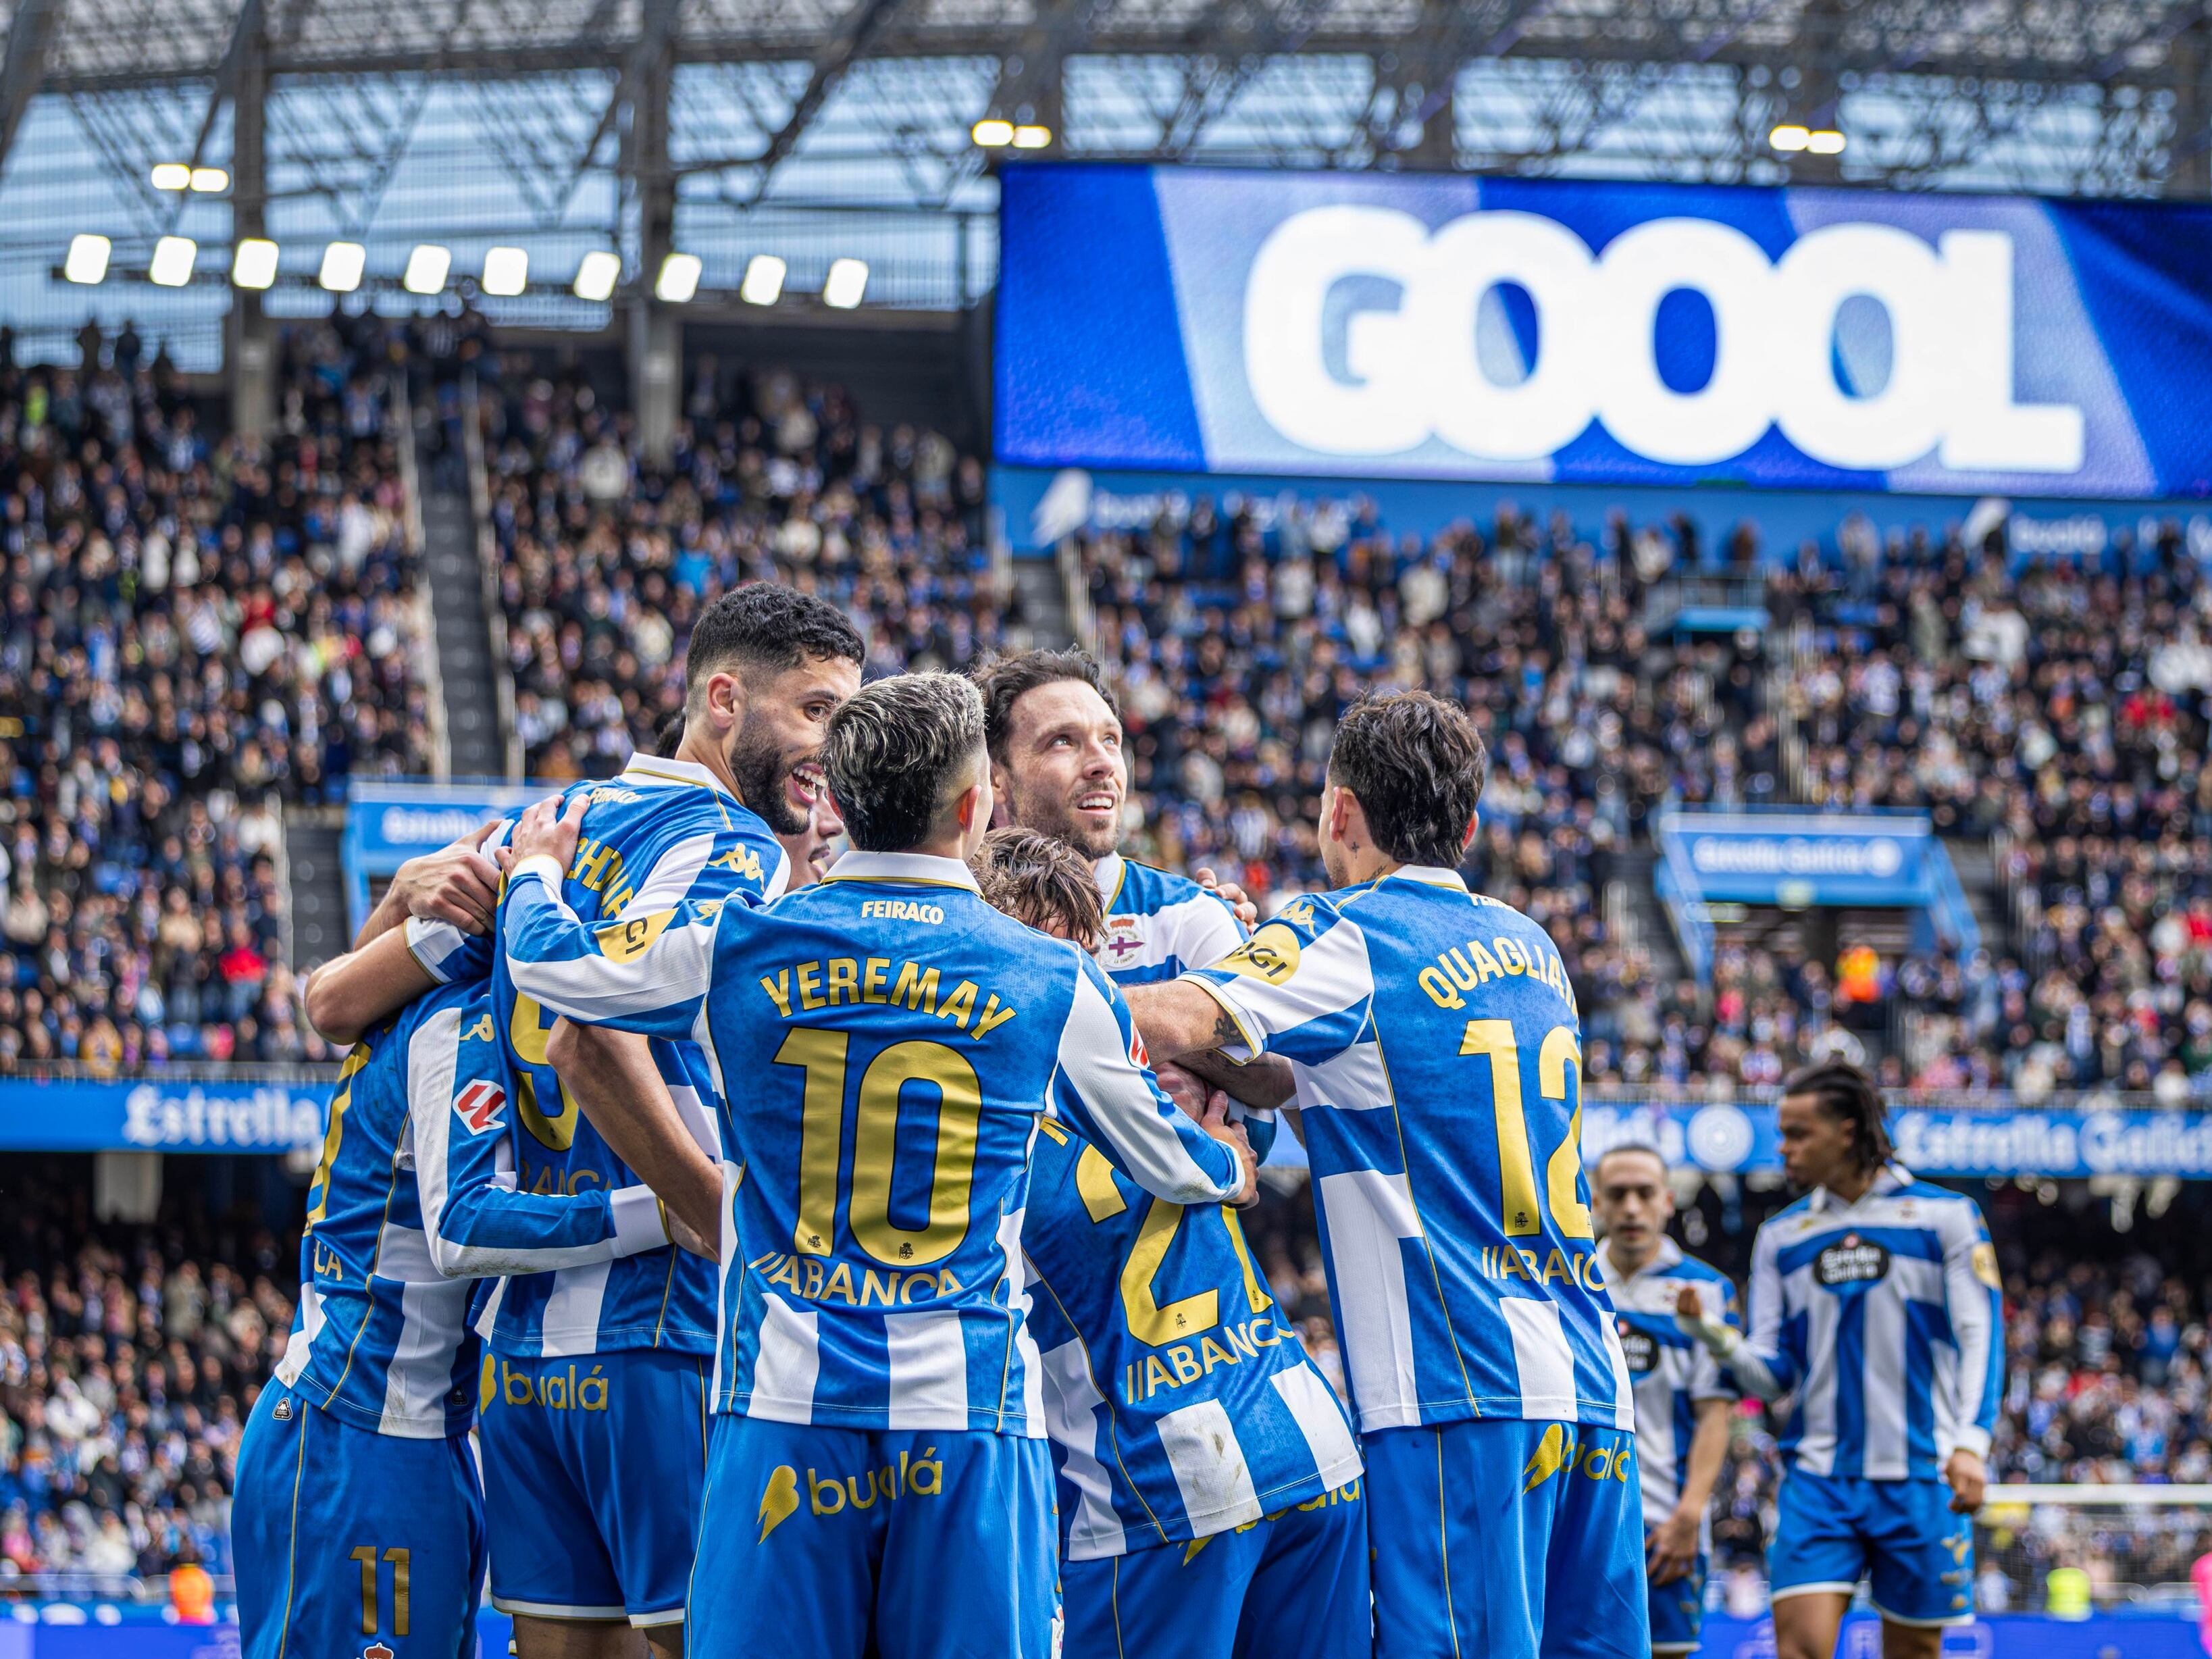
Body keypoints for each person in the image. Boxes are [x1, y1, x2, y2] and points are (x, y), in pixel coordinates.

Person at [497, 671, 1258, 1659]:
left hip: (781, 1405)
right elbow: (1168, 1154)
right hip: (971, 1413)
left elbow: (557, 974)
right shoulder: (1049, 972)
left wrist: (534, 874)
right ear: (975, 803)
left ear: (838, 804)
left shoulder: (741, 941)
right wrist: (1228, 1160)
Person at [309, 582, 867, 1655]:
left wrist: (408, 896)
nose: (831, 751)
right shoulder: (730, 848)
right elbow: (595, 1028)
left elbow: (335, 1004)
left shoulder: (538, 834)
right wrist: (712, 1214)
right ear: (721, 700)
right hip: (661, 1333)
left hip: (525, 1355)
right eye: (814, 712)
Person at [1127, 690, 1644, 1659]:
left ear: (1337, 812)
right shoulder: (1532, 947)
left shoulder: (1347, 929)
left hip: (1459, 1398)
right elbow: (1325, 1076)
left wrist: (1024, 982)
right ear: (1470, 825)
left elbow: (1175, 1018)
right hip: (1590, 1387)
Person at [973, 827, 1368, 1659]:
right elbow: (1266, 1090)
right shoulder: (1172, 1078)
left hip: (1161, 1483)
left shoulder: (974, 1110)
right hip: (1307, 1438)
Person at [234, 973, 690, 1659]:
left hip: (416, 1427)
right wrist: (664, 1206)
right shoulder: (460, 1017)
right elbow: (463, 1224)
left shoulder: (429, 1005)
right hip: (358, 1432)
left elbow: (331, 995)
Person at [1674, 1061, 2001, 1659]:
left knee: (1913, 1652)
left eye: (1798, 1134)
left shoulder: (1944, 1218)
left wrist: (1971, 1443)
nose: (1783, 1149)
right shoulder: (1782, 1236)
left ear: (1846, 1130)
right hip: (1818, 1482)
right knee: (1797, 1650)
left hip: (1920, 1475)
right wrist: (1714, 1335)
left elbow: (1980, 1335)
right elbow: (1773, 1375)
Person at [1590, 1145, 1737, 1659]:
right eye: (1617, 1194)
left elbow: (1713, 1415)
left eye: (1644, 1194)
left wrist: (1688, 1515)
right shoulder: (1568, 1283)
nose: (1631, 1207)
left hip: (1666, 1525)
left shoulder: (1704, 1290)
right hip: (1580, 1519)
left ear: (1668, 1202)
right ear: (1595, 1202)